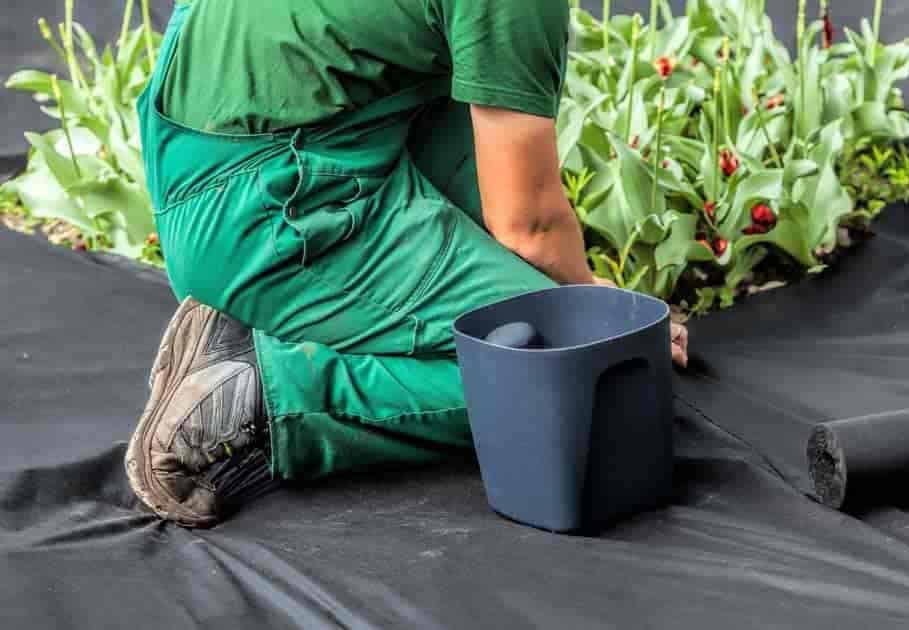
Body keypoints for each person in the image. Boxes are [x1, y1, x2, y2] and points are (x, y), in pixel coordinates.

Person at [125, 0, 689, 528]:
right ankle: (262, 393)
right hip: (268, 212)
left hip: (223, 140)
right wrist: (596, 316)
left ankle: (344, 304)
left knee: (461, 62)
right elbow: (530, 224)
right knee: (589, 390)